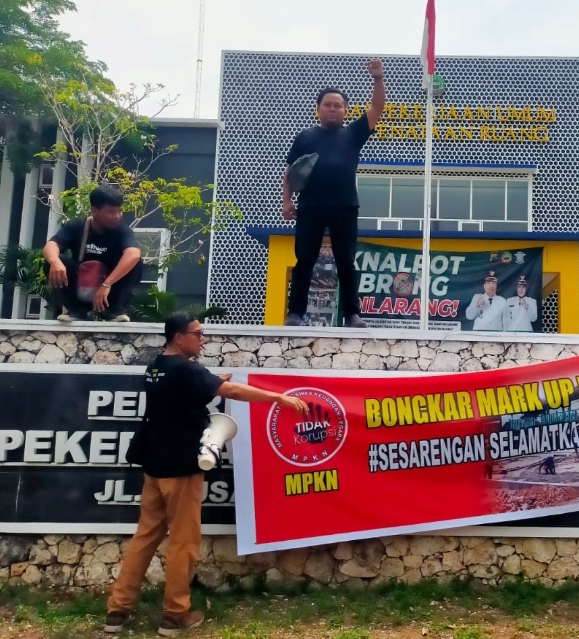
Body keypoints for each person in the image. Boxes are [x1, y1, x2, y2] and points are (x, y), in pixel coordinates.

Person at [104, 312, 307, 636]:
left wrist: (214, 381)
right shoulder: (186, 369)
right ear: (178, 337)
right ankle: (175, 615)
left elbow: (188, 395)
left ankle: (117, 611)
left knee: (144, 538)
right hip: (182, 469)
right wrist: (278, 398)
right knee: (183, 542)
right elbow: (234, 393)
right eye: (197, 333)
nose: (202, 338)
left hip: (154, 467)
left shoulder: (156, 367)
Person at [283, 59, 386, 328]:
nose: (332, 109)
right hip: (310, 206)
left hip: (344, 206)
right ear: (318, 109)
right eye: (327, 105)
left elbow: (377, 108)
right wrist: (286, 202)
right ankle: (295, 314)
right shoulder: (304, 136)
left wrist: (377, 79)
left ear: (345, 110)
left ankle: (352, 314)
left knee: (346, 262)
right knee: (304, 260)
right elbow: (289, 172)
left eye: (338, 105)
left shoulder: (353, 133)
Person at [43, 186, 144, 323]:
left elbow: (134, 254)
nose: (117, 216)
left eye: (120, 211)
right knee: (53, 261)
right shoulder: (77, 226)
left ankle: (114, 312)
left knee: (135, 263)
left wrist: (106, 285)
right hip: (81, 288)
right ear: (94, 211)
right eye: (111, 212)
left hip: (107, 293)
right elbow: (50, 246)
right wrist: (55, 262)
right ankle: (75, 311)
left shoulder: (122, 231)